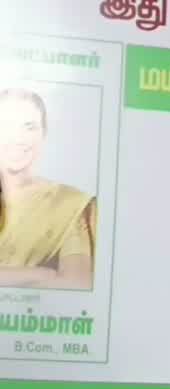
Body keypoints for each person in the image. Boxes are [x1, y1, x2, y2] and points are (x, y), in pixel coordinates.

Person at [0, 88, 96, 290]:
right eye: (7, 125)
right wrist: (40, 275)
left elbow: (77, 282)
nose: (19, 138)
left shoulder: (67, 204)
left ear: (44, 134)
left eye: (30, 127)